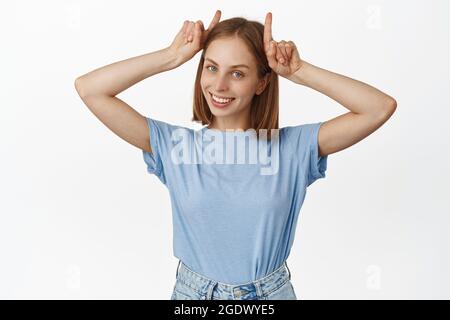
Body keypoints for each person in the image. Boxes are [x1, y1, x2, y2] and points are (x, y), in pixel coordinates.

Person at [74, 10, 397, 300]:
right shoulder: (174, 146)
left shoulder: (293, 148)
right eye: (211, 68)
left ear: (262, 82)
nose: (220, 84)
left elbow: (378, 108)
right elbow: (90, 88)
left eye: (238, 73)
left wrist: (298, 71)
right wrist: (171, 57)